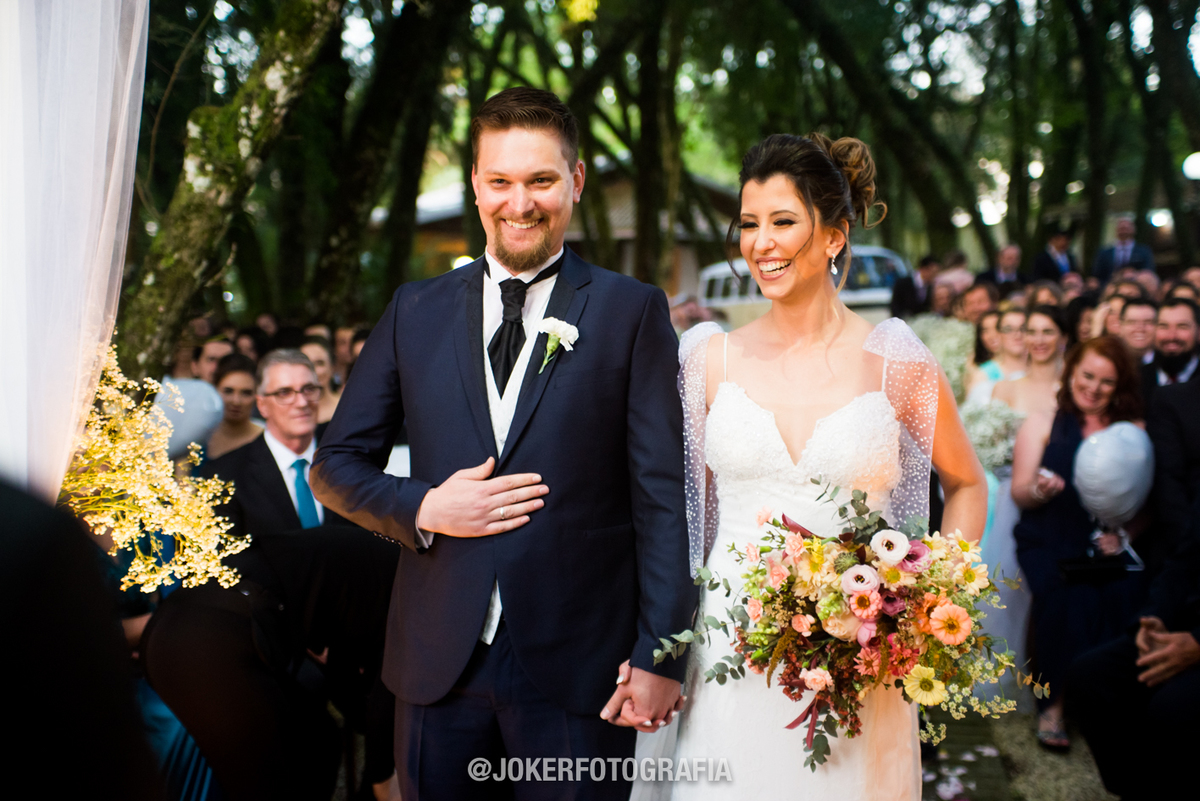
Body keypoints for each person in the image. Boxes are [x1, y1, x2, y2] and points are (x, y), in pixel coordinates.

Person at [309, 87, 696, 801]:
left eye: (541, 180)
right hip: (438, 662)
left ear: (575, 181)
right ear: (476, 185)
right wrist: (425, 507)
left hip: (583, 664)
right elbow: (333, 467)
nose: (520, 203)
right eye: (501, 181)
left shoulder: (631, 310)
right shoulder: (414, 309)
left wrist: (662, 653)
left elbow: (662, 496)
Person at [653, 132, 986, 799]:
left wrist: (926, 599)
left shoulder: (896, 360)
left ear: (834, 236)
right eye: (749, 224)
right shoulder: (706, 358)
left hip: (857, 654)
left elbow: (968, 482)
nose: (760, 243)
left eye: (782, 221)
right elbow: (678, 510)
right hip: (730, 647)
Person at [1011, 336, 1145, 750]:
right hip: (1048, 537)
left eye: (1107, 381)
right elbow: (1020, 492)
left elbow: (1149, 498)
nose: (1094, 387)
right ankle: (1053, 705)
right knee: (1065, 597)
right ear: (1071, 373)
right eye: (1087, 375)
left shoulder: (1134, 430)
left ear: (1120, 385)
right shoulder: (1042, 423)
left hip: (1105, 545)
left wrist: (1125, 535)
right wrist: (1040, 491)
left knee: (1125, 592)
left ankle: (1107, 705)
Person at [1067, 494, 1200, 800]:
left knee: (1173, 708)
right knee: (1090, 677)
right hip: (1182, 627)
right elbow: (1183, 563)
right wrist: (1152, 620)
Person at [199, 349, 354, 539]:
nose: (302, 402)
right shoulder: (225, 477)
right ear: (262, 405)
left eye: (309, 389)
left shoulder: (348, 458)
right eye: (284, 392)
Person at [993, 306, 1066, 417]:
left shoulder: (1074, 390)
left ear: (1064, 338)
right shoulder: (1005, 389)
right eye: (1031, 332)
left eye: (1048, 332)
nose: (1039, 340)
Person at [1139, 297, 1199, 407]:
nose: (1171, 336)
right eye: (1163, 326)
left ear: (1198, 332)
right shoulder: (1136, 380)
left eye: (1182, 326)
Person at [207, 353, 263, 461]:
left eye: (246, 393)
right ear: (215, 390)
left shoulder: (269, 439)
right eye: (228, 391)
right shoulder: (198, 436)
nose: (236, 401)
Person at [966, 308, 1027, 404]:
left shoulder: (1041, 371)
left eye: (1023, 328)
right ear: (999, 334)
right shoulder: (983, 375)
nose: (1017, 335)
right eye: (1008, 329)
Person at [1092, 217, 1156, 283]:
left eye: (1126, 228)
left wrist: (1134, 273)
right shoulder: (1104, 252)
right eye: (1121, 228)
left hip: (1136, 284)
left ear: (1133, 230)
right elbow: (1097, 274)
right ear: (1116, 230)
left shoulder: (1144, 251)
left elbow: (1149, 271)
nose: (1124, 231)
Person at [299, 336, 341, 424]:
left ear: (332, 367)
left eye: (319, 363)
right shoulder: (291, 412)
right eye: (306, 364)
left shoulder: (347, 406)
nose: (313, 371)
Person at [889, 254, 939, 318]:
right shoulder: (903, 283)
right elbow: (895, 306)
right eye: (933, 273)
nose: (935, 276)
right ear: (923, 269)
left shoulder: (931, 286)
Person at [1118, 297, 1158, 365]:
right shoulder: (1109, 362)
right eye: (1132, 322)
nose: (1140, 329)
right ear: (1120, 326)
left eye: (1148, 322)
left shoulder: (1169, 363)